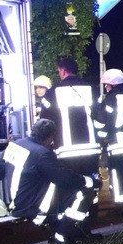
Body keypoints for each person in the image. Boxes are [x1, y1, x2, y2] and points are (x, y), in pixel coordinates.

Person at [0, 118, 99, 244]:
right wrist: (88, 181)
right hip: (33, 207)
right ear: (50, 138)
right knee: (84, 193)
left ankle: (74, 231)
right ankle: (61, 237)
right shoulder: (43, 154)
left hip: (15, 204)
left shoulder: (15, 146)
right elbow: (64, 179)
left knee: (59, 193)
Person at [47, 57, 101, 220]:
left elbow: (47, 120)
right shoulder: (91, 89)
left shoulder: (54, 91)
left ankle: (71, 217)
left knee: (71, 184)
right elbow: (100, 117)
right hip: (91, 148)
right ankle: (91, 213)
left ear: (62, 70)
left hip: (67, 150)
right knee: (91, 181)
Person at [93, 68, 123, 217]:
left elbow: (101, 121)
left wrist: (99, 134)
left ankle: (122, 208)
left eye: (107, 85)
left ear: (113, 84)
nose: (106, 87)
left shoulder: (111, 98)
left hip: (116, 141)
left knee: (118, 175)